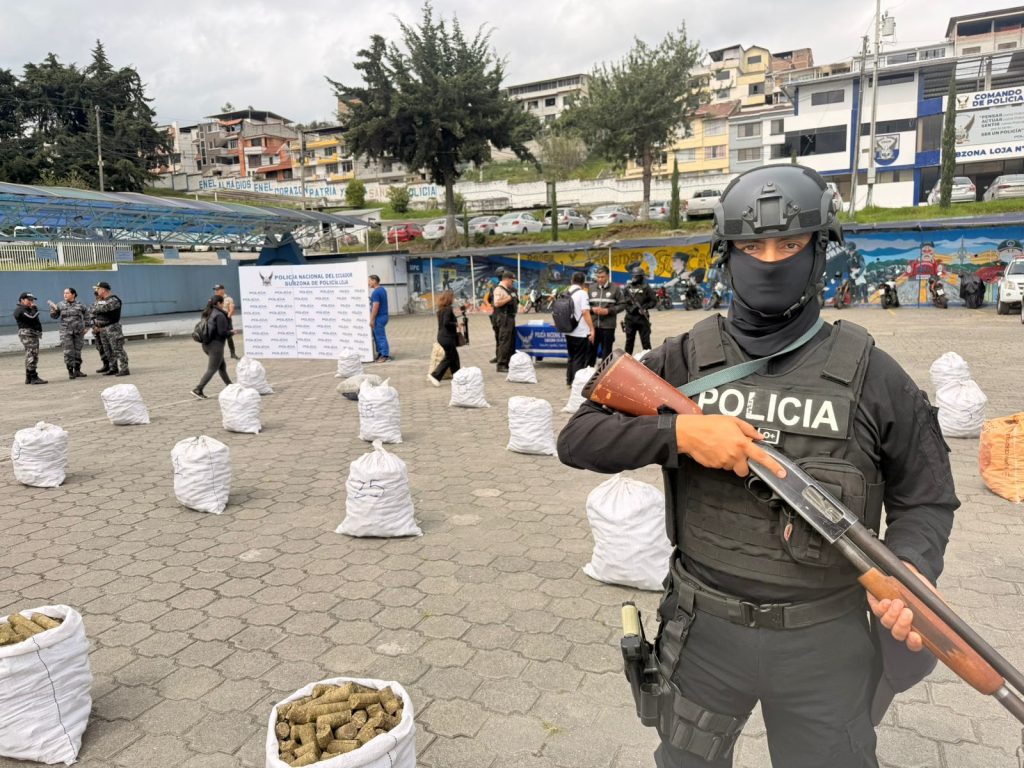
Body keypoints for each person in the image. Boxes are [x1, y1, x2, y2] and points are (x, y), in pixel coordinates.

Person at [558, 164, 957, 768]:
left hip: (824, 642)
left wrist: (912, 568)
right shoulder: (688, 356)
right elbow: (579, 436)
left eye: (790, 243)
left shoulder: (873, 374)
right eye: (751, 245)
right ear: (727, 253)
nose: (770, 259)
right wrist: (682, 433)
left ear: (821, 250)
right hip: (703, 633)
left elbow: (927, 497)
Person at [191, 295, 233, 399]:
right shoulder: (220, 315)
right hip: (216, 346)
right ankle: (198, 389)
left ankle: (231, 386)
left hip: (206, 345)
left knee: (222, 367)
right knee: (212, 369)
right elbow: (222, 333)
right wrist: (232, 332)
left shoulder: (207, 312)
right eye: (223, 303)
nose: (224, 305)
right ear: (219, 303)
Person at [47, 287, 89, 379]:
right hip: (66, 332)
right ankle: (70, 371)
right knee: (68, 352)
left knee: (77, 351)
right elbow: (54, 317)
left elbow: (87, 315)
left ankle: (77, 370)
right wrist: (53, 309)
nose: (65, 295)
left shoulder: (80, 304)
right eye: (64, 293)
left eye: (67, 293)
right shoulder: (60, 305)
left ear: (73, 294)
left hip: (78, 332)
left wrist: (87, 327)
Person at [588, 265, 625, 366]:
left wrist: (608, 311)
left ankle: (604, 376)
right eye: (598, 277)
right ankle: (588, 373)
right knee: (591, 352)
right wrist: (592, 309)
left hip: (608, 326)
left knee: (606, 353)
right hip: (593, 326)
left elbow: (622, 305)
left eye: (602, 277)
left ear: (608, 276)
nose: (600, 279)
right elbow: (586, 305)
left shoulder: (615, 288)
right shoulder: (591, 288)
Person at [563, 271, 595, 385]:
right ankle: (576, 382)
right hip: (580, 331)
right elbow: (585, 312)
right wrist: (592, 329)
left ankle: (569, 380)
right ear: (583, 282)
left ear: (572, 280)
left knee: (571, 356)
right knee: (579, 358)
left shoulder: (566, 292)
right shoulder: (582, 293)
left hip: (568, 329)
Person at [92, 281, 129, 376]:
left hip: (112, 328)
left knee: (117, 349)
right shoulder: (102, 300)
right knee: (107, 349)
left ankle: (124, 368)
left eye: (98, 289)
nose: (96, 291)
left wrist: (96, 306)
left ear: (104, 290)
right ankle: (113, 368)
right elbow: (92, 309)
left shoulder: (113, 300)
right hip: (102, 329)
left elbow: (99, 309)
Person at [428, 290, 461, 386]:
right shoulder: (448, 309)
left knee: (454, 357)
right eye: (452, 297)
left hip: (442, 336)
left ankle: (457, 377)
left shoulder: (441, 310)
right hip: (447, 338)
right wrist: (456, 324)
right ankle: (435, 375)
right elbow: (446, 323)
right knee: (449, 357)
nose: (454, 299)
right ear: (449, 298)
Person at [14, 292, 47, 385]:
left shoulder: (27, 309)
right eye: (29, 300)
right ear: (22, 300)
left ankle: (28, 377)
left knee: (30, 354)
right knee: (32, 354)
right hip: (27, 334)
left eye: (32, 300)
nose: (31, 302)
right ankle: (33, 377)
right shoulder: (20, 310)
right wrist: (34, 308)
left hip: (31, 333)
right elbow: (32, 317)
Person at [622, 266, 657, 355]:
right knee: (629, 342)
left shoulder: (646, 287)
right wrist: (630, 307)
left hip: (642, 318)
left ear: (641, 277)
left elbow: (654, 301)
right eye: (633, 276)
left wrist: (645, 307)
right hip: (630, 318)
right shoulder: (627, 287)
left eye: (636, 276)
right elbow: (622, 301)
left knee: (646, 343)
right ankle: (626, 362)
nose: (634, 278)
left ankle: (649, 361)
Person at [492, 271, 518, 373]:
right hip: (504, 318)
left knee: (511, 342)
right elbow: (497, 303)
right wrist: (509, 298)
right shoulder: (499, 289)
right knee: (504, 341)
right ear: (506, 279)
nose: (513, 282)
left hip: (510, 317)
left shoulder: (510, 289)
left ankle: (508, 363)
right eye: (512, 280)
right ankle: (501, 364)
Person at [369, 275, 391, 362]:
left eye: (369, 281)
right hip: (383, 316)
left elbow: (375, 307)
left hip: (379, 317)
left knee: (380, 337)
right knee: (377, 336)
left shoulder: (376, 292)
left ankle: (384, 355)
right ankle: (381, 353)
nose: (368, 283)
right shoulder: (382, 290)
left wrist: (372, 319)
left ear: (374, 281)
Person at [214, 284, 239, 359]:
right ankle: (217, 354)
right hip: (216, 320)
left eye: (217, 290)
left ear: (222, 290)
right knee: (216, 337)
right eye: (215, 290)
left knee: (229, 337)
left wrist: (227, 317)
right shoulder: (214, 298)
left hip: (226, 320)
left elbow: (231, 309)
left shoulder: (228, 299)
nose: (216, 291)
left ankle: (233, 353)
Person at [90, 287, 110, 373]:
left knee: (109, 348)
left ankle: (112, 365)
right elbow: (90, 317)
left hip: (106, 329)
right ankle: (105, 364)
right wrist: (94, 327)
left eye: (98, 295)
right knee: (100, 347)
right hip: (96, 330)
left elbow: (109, 317)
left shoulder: (106, 304)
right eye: (96, 296)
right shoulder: (94, 305)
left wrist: (101, 327)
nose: (97, 297)